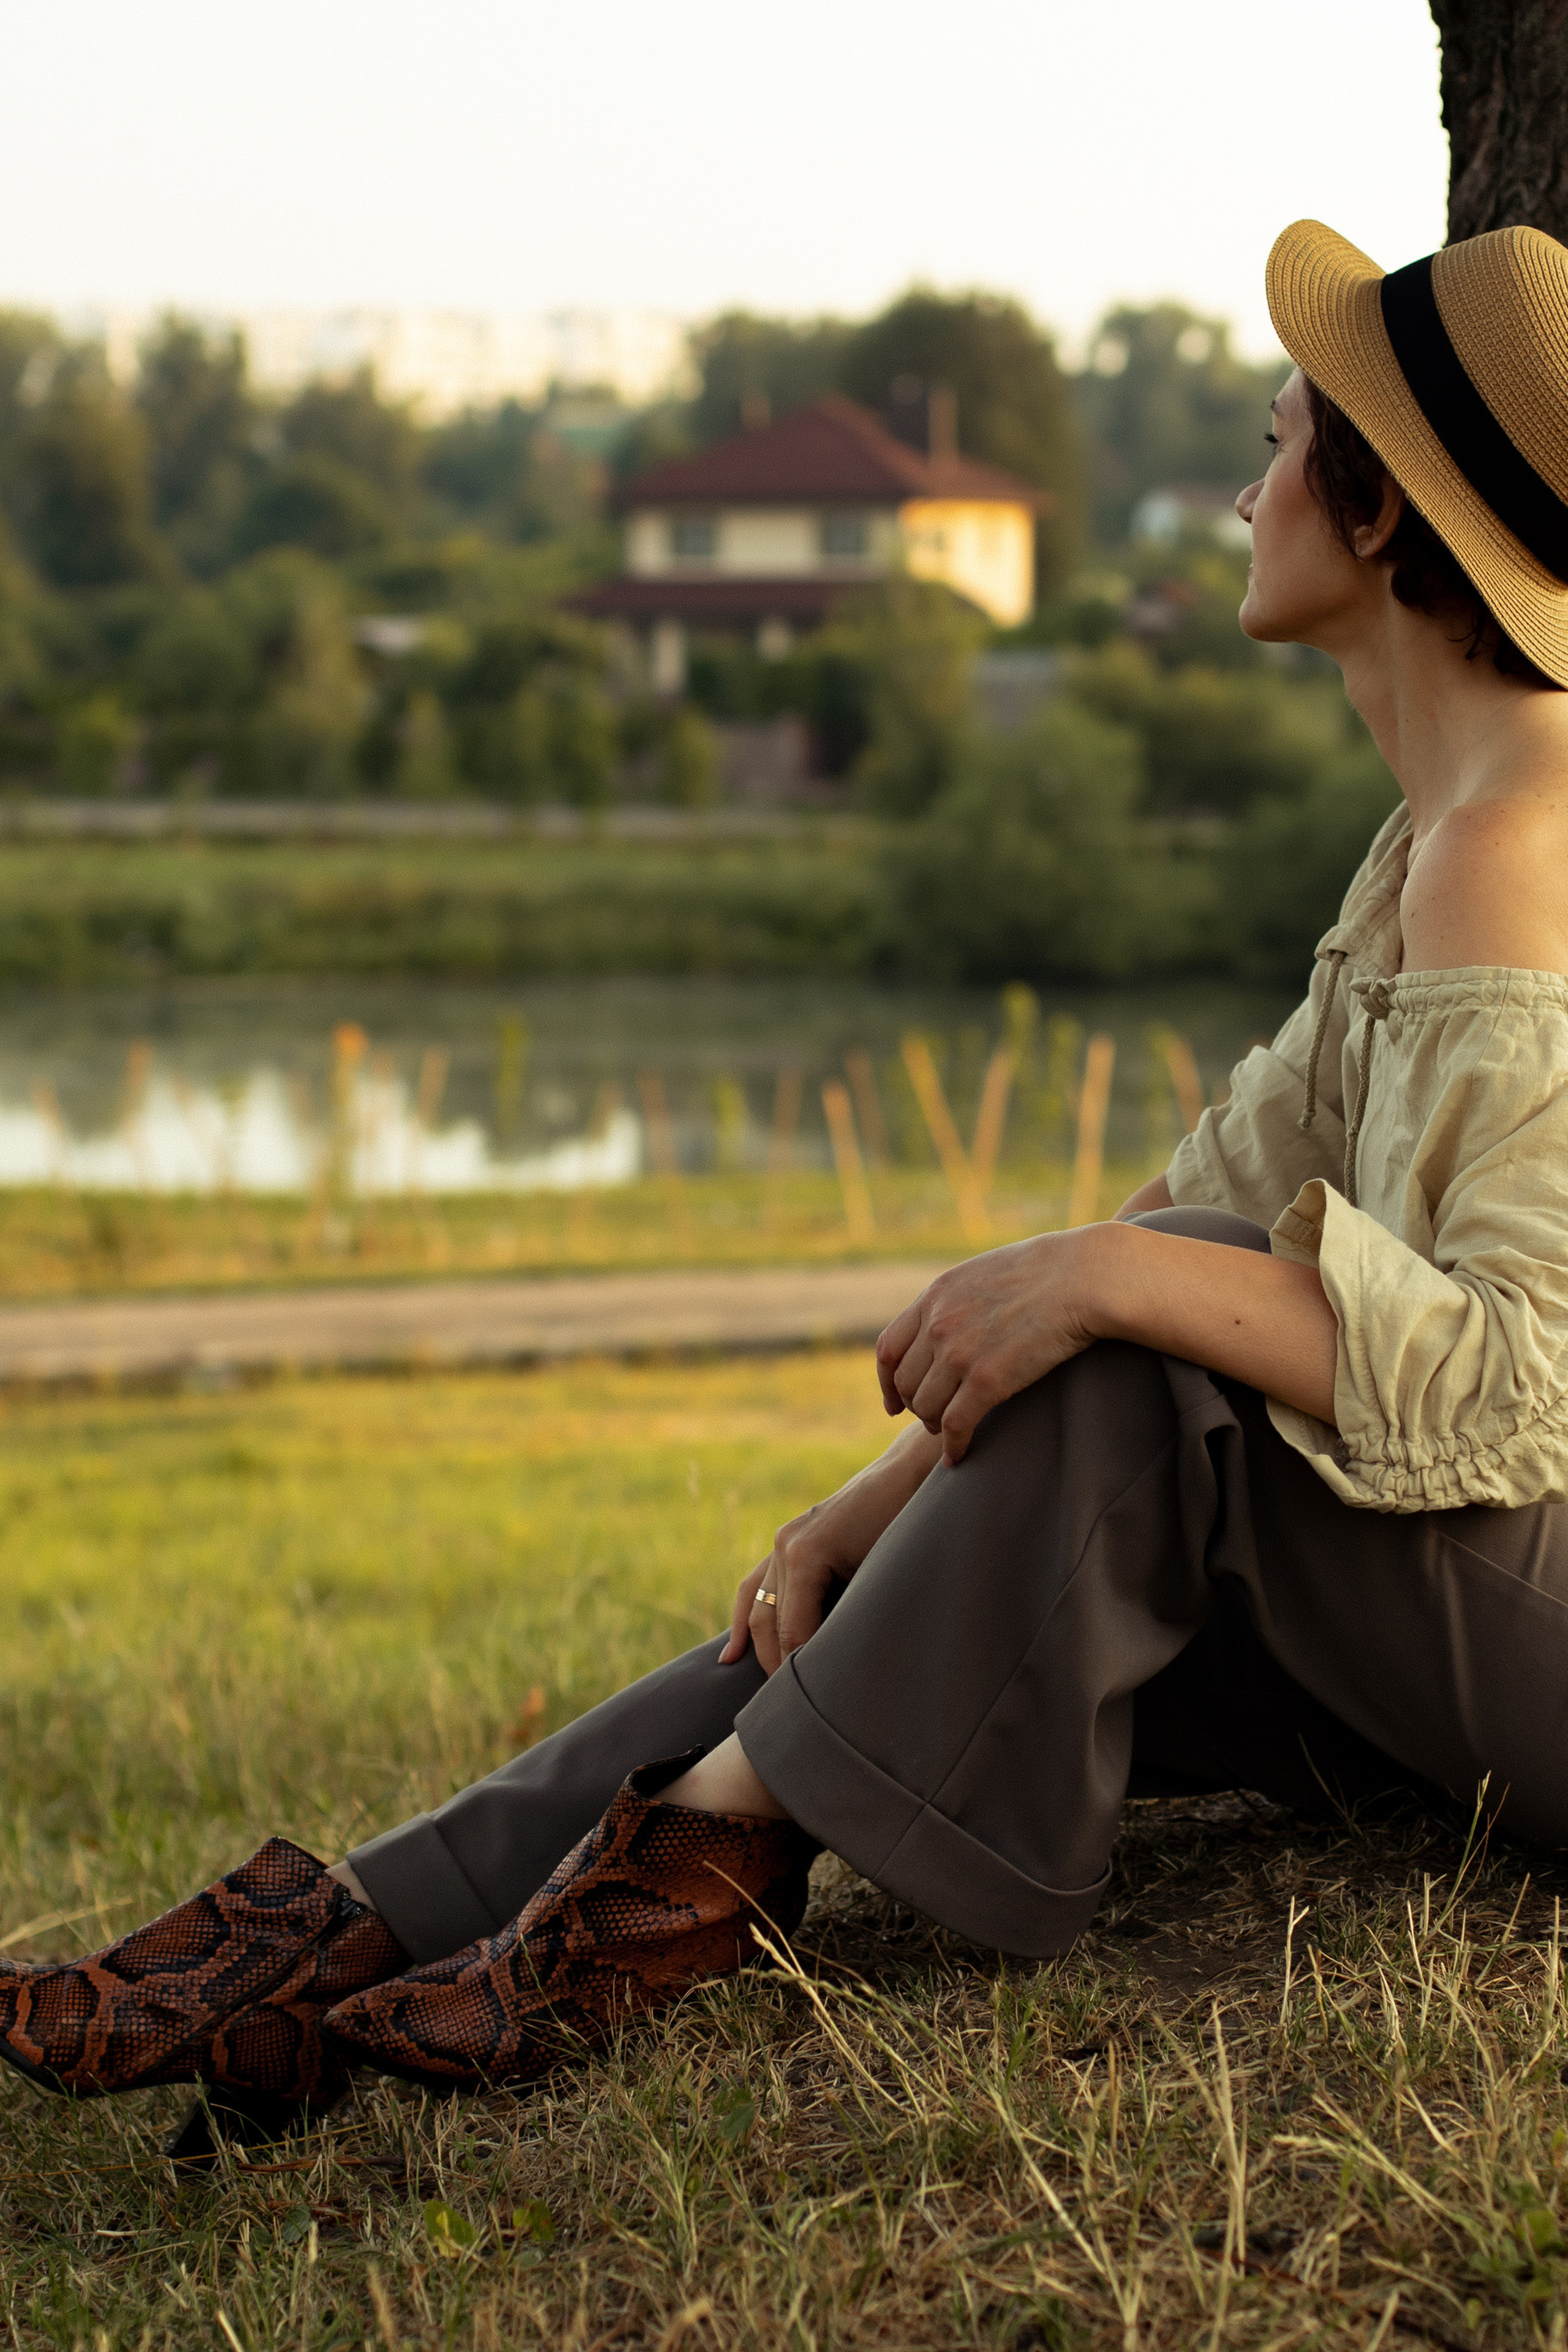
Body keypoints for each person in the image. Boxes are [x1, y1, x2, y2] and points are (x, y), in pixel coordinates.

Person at [7, 217, 1568, 2152]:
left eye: (1273, 447)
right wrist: (874, 1498)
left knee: (1145, 1306)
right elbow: (1220, 1198)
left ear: (1390, 519)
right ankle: (340, 1939)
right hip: (1443, 1610)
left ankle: (678, 1890)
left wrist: (1101, 1273)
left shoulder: (1516, 847)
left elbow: (1512, 1383)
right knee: (1122, 1313)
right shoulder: (1429, 843)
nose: (1245, 496)